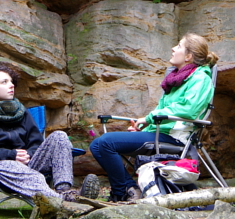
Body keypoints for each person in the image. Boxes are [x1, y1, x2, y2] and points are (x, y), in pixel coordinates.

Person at [89, 33, 219, 202]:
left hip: (175, 138)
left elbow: (188, 110)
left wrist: (149, 119)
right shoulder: (177, 80)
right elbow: (162, 113)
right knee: (97, 145)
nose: (173, 49)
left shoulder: (201, 78)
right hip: (160, 132)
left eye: (179, 46)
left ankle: (122, 192)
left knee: (106, 143)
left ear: (189, 56)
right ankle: (128, 188)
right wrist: (142, 128)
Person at [0, 64, 100, 201]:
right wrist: (12, 155)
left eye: (11, 82)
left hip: (29, 163)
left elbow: (36, 143)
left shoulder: (22, 113)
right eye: (4, 82)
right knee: (25, 172)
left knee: (59, 136)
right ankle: (65, 199)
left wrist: (27, 155)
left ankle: (64, 189)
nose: (11, 85)